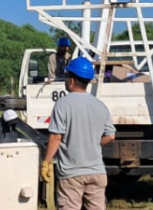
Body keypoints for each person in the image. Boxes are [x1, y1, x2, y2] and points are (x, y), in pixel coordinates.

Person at [41, 57, 116, 210]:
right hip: (97, 173)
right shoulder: (100, 105)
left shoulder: (62, 104)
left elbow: (56, 136)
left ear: (72, 80)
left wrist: (47, 162)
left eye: (67, 76)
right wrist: (94, 143)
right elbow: (110, 136)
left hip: (71, 174)